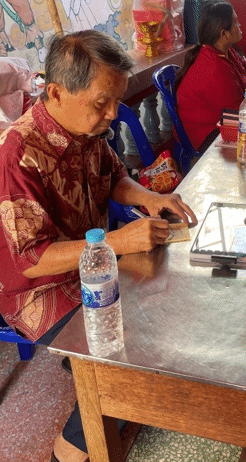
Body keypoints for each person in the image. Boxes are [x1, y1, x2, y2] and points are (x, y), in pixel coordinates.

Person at [0, 30, 197, 462]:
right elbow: (31, 258)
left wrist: (149, 198)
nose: (112, 114)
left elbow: (114, 177)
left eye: (116, 101)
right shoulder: (17, 154)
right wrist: (117, 242)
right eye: (102, 102)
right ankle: (68, 451)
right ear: (56, 93)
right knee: (125, 363)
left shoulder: (87, 128)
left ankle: (108, 388)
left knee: (164, 310)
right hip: (43, 289)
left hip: (93, 262)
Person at [175, 0, 246, 152]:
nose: (240, 25)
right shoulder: (214, 68)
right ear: (224, 34)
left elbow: (245, 67)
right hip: (207, 134)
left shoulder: (224, 50)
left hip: (229, 117)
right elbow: (241, 115)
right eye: (236, 23)